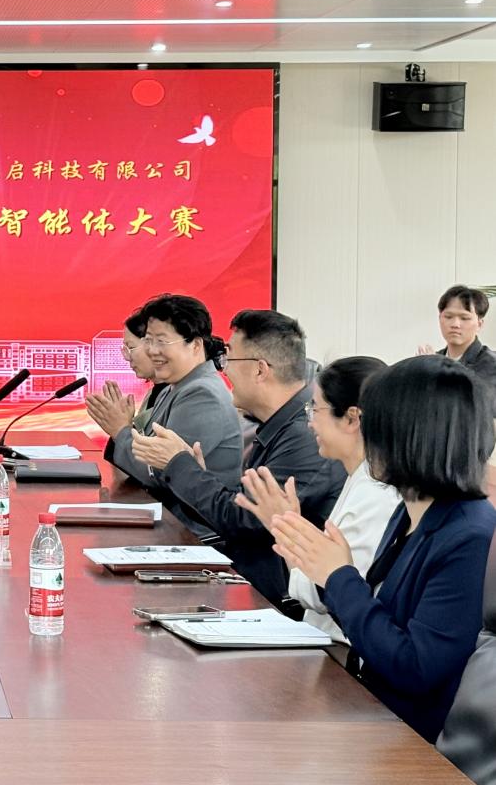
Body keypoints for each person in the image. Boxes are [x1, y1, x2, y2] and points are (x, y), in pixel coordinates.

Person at [272, 355, 496, 743]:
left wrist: (338, 577)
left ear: (408, 435)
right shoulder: (410, 511)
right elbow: (379, 627)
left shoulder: (470, 537)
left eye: (375, 425)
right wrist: (329, 574)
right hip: (372, 711)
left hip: (413, 743)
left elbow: (415, 668)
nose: (366, 437)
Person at [132, 309, 346, 604]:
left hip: (272, 598)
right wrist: (194, 471)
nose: (225, 370)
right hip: (246, 582)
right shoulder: (279, 425)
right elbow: (240, 509)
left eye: (229, 359)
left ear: (260, 370)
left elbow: (243, 522)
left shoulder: (303, 436)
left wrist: (179, 463)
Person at [233, 356, 399, 641]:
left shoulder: (377, 493)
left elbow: (325, 593)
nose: (310, 423)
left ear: (352, 418)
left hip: (340, 649)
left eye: (315, 409)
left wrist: (286, 526)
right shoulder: (360, 478)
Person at [92, 294, 242, 495]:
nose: (152, 351)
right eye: (148, 341)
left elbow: (159, 472)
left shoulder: (203, 395)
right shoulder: (174, 387)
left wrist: (120, 430)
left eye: (162, 342)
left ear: (195, 345)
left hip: (187, 515)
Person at [87, 308, 164, 460]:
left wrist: (121, 429)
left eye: (131, 348)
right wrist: (125, 427)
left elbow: (154, 464)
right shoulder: (155, 392)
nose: (126, 357)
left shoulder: (185, 394)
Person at [419, 285, 496, 395]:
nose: (455, 324)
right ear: (439, 319)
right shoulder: (431, 361)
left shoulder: (491, 364)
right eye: (448, 317)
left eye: (464, 318)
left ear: (479, 324)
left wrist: (436, 370)